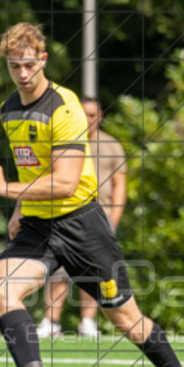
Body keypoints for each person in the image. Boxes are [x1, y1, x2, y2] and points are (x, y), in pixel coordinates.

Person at [0, 22, 184, 367]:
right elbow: (34, 166)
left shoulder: (64, 108)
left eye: (29, 64)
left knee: (127, 321)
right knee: (2, 288)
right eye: (14, 66)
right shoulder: (8, 109)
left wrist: (6, 190)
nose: (23, 74)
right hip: (38, 224)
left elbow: (66, 183)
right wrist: (20, 207)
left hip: (81, 224)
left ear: (43, 60)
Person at [36, 96, 127, 340]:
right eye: (83, 114)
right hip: (65, 215)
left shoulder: (112, 146)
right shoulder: (63, 141)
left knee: (94, 273)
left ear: (100, 116)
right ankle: (51, 322)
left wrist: (113, 220)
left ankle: (87, 322)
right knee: (58, 271)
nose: (88, 119)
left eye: (92, 115)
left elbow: (119, 185)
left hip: (99, 218)